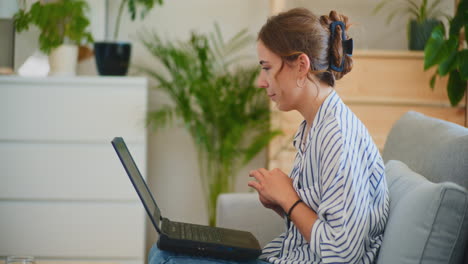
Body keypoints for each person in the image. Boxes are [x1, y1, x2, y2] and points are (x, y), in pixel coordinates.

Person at [149, 7, 389, 264]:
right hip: (285, 256)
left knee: (167, 258)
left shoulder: (337, 137)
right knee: (164, 248)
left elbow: (343, 253)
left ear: (301, 65)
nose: (261, 82)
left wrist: (289, 198)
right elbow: (324, 221)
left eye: (267, 68)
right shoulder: (315, 126)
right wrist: (282, 204)